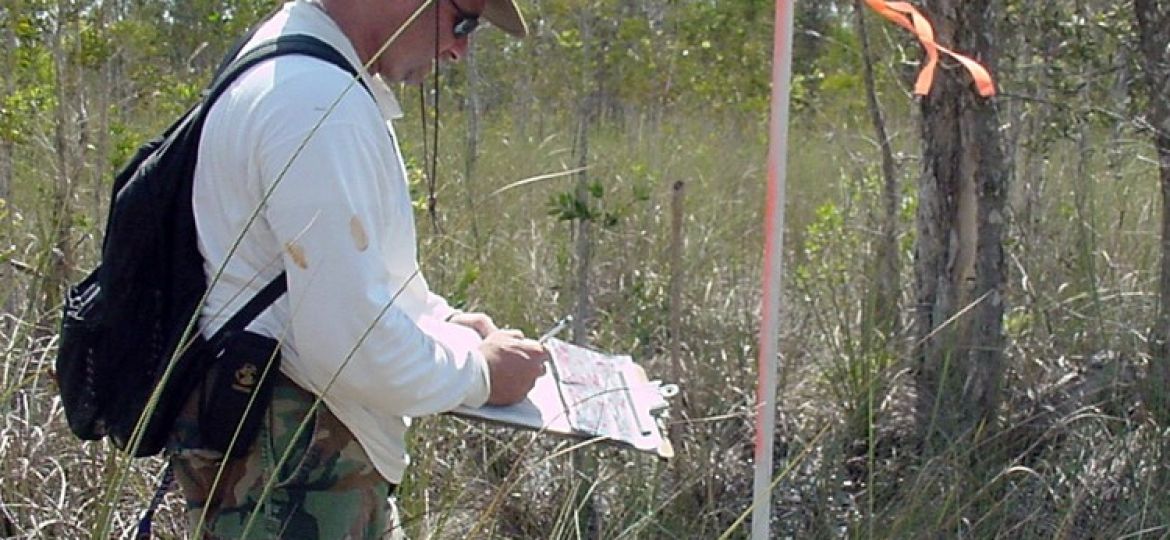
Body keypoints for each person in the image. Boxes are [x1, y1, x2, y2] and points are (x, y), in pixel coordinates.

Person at [166, 0, 548, 537]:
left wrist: (438, 324)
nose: (459, 49)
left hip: (293, 454)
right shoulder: (315, 101)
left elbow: (327, 282)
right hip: (291, 470)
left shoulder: (311, 70)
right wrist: (482, 374)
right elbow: (351, 344)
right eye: (463, 19)